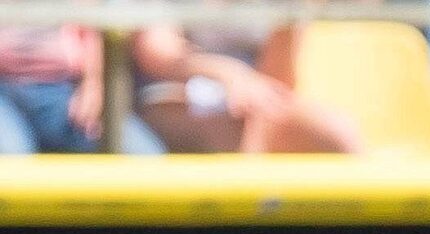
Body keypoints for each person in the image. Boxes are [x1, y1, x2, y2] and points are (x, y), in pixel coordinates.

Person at [131, 16, 360, 154]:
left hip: (256, 97)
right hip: (172, 93)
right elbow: (157, 54)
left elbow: (279, 83)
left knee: (337, 136)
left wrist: (292, 19)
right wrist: (229, 74)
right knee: (241, 133)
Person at [0, 16, 164, 154]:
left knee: (143, 155)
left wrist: (93, 85)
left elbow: (95, 24)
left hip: (64, 89)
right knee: (10, 158)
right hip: (4, 89)